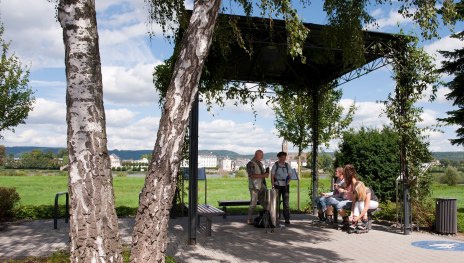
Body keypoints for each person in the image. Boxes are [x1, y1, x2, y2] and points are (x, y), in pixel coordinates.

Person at [246, 149, 269, 225]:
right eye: (261, 155)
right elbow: (251, 175)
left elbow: (261, 174)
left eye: (262, 155)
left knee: (265, 202)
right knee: (253, 204)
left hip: (262, 186)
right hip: (254, 187)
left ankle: (267, 217)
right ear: (257, 155)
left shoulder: (260, 164)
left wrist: (266, 173)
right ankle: (249, 219)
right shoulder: (251, 163)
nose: (262, 157)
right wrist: (263, 175)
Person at [271, 151, 292, 224]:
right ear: (279, 157)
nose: (284, 158)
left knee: (286, 203)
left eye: (285, 157)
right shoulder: (275, 165)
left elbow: (290, 175)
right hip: (277, 185)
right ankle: (277, 217)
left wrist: (288, 180)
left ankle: (287, 218)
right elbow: (272, 176)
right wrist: (273, 185)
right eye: (283, 157)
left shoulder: (287, 165)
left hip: (285, 186)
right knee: (277, 202)